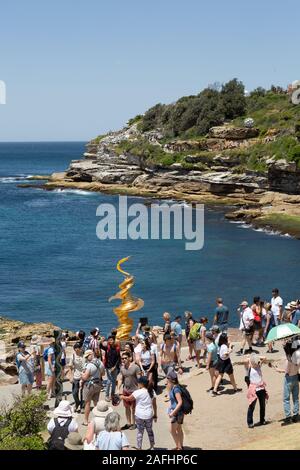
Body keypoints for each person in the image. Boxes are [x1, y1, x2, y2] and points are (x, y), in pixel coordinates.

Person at [121, 376, 157, 450]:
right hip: (149, 415)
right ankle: (152, 446)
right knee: (150, 431)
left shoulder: (138, 392)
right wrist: (155, 415)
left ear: (141, 384)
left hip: (139, 415)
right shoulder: (152, 391)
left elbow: (129, 398)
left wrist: (122, 397)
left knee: (140, 432)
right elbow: (154, 404)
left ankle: (139, 447)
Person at [275, 340, 300, 425]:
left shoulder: (288, 360)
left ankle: (288, 417)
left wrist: (277, 369)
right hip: (296, 378)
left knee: (286, 399)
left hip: (288, 379)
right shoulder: (297, 358)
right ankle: (296, 415)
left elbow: (286, 371)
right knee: (296, 398)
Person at [118, 351, 141, 430]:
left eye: (125, 358)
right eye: (122, 358)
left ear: (130, 358)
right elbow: (121, 379)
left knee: (134, 408)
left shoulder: (135, 367)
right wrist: (118, 389)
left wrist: (140, 390)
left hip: (134, 391)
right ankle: (128, 423)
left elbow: (140, 379)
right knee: (127, 407)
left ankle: (134, 423)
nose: (124, 360)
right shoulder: (122, 368)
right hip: (126, 390)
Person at [81, 349, 105, 426]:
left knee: (87, 403)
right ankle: (98, 419)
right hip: (98, 384)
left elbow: (85, 377)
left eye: (87, 356)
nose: (86, 358)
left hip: (89, 385)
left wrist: (82, 374)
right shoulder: (100, 363)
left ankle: (85, 420)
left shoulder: (89, 365)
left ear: (91, 355)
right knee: (96, 402)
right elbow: (103, 373)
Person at [244, 354, 268, 428]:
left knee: (262, 405)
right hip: (253, 389)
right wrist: (250, 357)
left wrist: (257, 357)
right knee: (252, 406)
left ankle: (262, 420)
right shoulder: (249, 367)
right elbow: (245, 360)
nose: (257, 362)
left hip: (261, 388)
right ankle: (250, 422)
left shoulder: (259, 365)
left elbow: (265, 357)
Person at [166, 370, 184, 451]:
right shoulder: (173, 387)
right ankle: (180, 446)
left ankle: (179, 447)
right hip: (178, 412)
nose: (166, 380)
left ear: (172, 380)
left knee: (172, 430)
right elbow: (172, 400)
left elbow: (180, 402)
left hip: (177, 412)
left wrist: (173, 413)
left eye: (168, 378)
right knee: (178, 429)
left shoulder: (176, 389)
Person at [100, 335, 121, 403]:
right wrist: (101, 341)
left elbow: (118, 359)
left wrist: (114, 367)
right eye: (109, 340)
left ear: (114, 340)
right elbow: (100, 346)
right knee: (109, 381)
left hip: (115, 367)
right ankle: (106, 395)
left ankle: (112, 394)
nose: (110, 341)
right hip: (108, 367)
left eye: (111, 340)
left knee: (114, 381)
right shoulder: (107, 348)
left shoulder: (117, 348)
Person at [69, 342, 85, 412]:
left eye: (79, 348)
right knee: (74, 392)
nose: (77, 349)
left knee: (82, 392)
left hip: (84, 376)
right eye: (76, 348)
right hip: (76, 376)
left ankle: (82, 406)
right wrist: (71, 377)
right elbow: (70, 367)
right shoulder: (72, 356)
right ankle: (77, 402)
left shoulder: (84, 356)